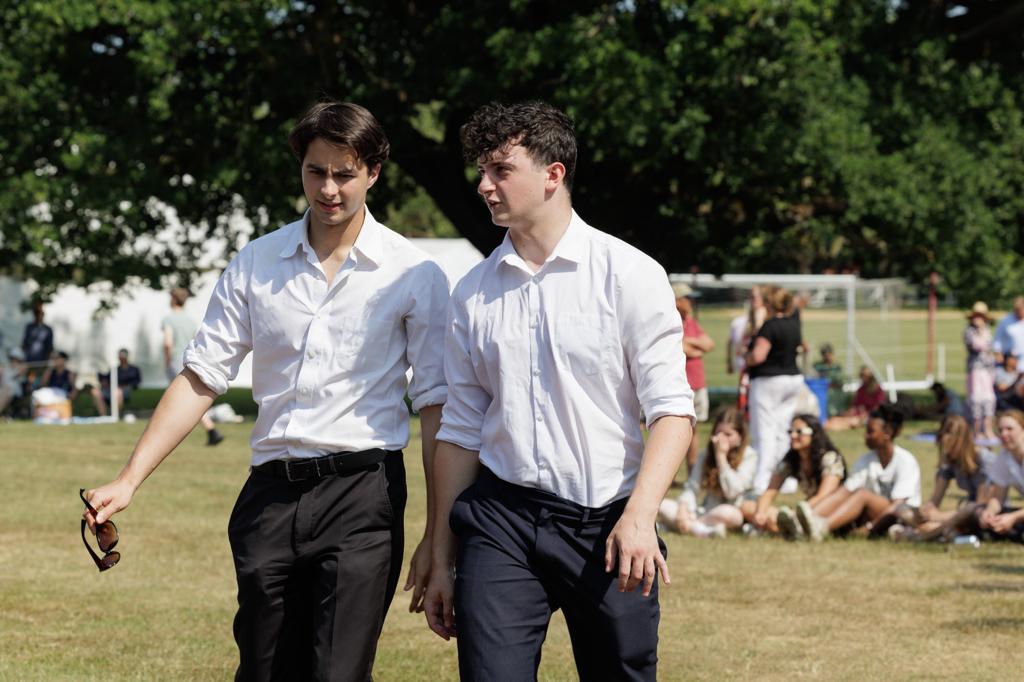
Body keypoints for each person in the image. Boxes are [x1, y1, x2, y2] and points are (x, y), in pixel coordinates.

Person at [83, 100, 450, 681]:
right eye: (315, 171)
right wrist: (128, 480)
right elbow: (201, 376)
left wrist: (437, 533)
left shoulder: (415, 273)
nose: (327, 189)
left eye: (344, 174)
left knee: (337, 672)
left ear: (374, 173)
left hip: (363, 496)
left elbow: (435, 406)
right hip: (269, 497)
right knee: (263, 669)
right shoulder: (257, 262)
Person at [423, 101, 694, 682]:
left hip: (609, 521)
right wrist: (442, 556)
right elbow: (461, 430)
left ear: (553, 174)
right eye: (482, 171)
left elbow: (672, 411)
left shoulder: (630, 275)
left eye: (501, 170)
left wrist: (640, 517)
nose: (484, 185)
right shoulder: (472, 293)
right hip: (501, 519)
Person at [796, 405, 921, 541]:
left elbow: (896, 506)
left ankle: (822, 528)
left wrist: (870, 527)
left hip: (901, 518)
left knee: (862, 495)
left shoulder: (905, 461)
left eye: (870, 431)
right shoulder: (866, 460)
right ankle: (805, 521)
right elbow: (845, 492)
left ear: (887, 433)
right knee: (845, 493)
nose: (865, 436)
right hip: (874, 515)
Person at [889, 414, 993, 542]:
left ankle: (920, 535)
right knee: (902, 509)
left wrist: (939, 517)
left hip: (979, 514)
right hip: (960, 514)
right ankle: (934, 531)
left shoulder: (983, 459)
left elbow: (980, 505)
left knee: (968, 509)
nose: (949, 452)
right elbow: (935, 500)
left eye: (952, 445)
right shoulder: (950, 460)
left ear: (962, 440)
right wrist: (925, 511)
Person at [744, 414, 846, 539]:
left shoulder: (830, 458)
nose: (793, 435)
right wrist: (760, 512)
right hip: (806, 508)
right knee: (747, 506)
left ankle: (785, 528)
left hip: (830, 508)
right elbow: (770, 491)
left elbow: (824, 495)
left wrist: (796, 512)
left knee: (786, 515)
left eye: (799, 432)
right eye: (790, 431)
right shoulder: (791, 459)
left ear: (814, 434)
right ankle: (786, 527)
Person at [659, 407, 756, 538]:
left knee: (729, 513)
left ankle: (689, 526)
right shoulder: (705, 455)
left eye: (728, 434)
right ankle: (701, 529)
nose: (721, 438)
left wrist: (721, 457)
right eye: (718, 432)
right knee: (662, 505)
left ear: (740, 437)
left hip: (731, 510)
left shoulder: (749, 456)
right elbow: (692, 487)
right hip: (706, 510)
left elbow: (732, 491)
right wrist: (683, 508)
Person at [745, 285, 804, 494]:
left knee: (765, 431)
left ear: (770, 304)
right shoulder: (794, 324)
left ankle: (762, 480)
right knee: (783, 430)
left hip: (768, 381)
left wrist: (746, 357)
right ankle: (787, 480)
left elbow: (758, 356)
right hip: (792, 378)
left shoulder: (769, 326)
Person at [162, 288, 224, 445]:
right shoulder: (190, 320)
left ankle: (211, 430)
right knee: (184, 397)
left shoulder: (169, 319)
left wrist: (167, 360)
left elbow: (168, 342)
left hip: (175, 360)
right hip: (187, 358)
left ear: (174, 299)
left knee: (181, 398)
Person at [674, 281, 714, 466]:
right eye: (687, 298)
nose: (691, 302)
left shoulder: (690, 322)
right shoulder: (671, 321)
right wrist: (694, 346)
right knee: (676, 432)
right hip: (682, 384)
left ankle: (691, 471)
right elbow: (680, 348)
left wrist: (689, 342)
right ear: (677, 300)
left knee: (694, 431)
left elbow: (709, 344)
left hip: (697, 383)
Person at [969, 410, 1024, 543]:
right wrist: (989, 512)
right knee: (977, 511)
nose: (1004, 434)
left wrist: (1013, 517)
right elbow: (998, 497)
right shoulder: (1005, 456)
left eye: (1010, 429)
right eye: (1000, 430)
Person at [964, 301, 997, 439]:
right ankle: (976, 430)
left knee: (988, 398)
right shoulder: (969, 332)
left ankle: (988, 429)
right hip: (976, 370)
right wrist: (980, 331)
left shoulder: (988, 331)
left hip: (988, 370)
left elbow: (991, 346)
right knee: (976, 399)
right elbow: (977, 345)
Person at [826, 366, 885, 431]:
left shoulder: (878, 389)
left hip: (872, 416)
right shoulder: (861, 389)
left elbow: (878, 406)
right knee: (835, 419)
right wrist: (849, 412)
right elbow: (856, 405)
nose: (863, 378)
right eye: (862, 376)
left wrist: (867, 413)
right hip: (860, 414)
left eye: (865, 376)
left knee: (852, 421)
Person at [90, 348, 142, 417]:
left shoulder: (134, 369)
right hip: (110, 390)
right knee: (95, 392)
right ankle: (103, 416)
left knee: (118, 392)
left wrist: (124, 386)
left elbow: (136, 382)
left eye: (123, 356)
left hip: (124, 391)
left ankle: (115, 415)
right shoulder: (115, 369)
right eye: (120, 356)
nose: (122, 358)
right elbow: (105, 379)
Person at [813, 342, 845, 416]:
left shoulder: (837, 367)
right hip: (821, 392)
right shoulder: (817, 366)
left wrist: (830, 385)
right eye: (824, 354)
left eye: (828, 354)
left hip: (834, 394)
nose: (827, 357)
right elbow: (814, 380)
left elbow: (841, 383)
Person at [21, 300, 54, 368]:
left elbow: (49, 346)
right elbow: (25, 341)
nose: (39, 315)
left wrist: (47, 358)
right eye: (37, 313)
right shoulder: (30, 327)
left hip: (41, 360)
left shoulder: (48, 329)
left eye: (41, 313)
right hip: (29, 358)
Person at [992, 296, 1024, 363]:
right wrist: (998, 352)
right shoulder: (1005, 320)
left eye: (1021, 308)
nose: (1019, 311)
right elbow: (997, 338)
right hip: (1008, 357)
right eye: (1017, 309)